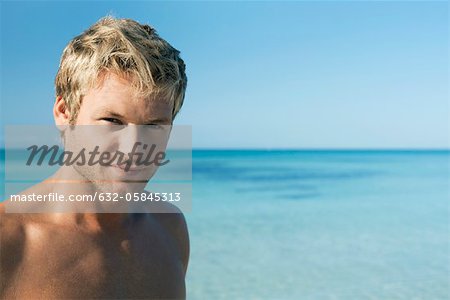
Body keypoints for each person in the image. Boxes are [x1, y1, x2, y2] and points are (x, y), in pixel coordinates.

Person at [0, 16, 189, 299]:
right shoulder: (9, 240)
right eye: (112, 120)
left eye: (154, 125)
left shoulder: (170, 229)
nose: (133, 148)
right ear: (64, 113)